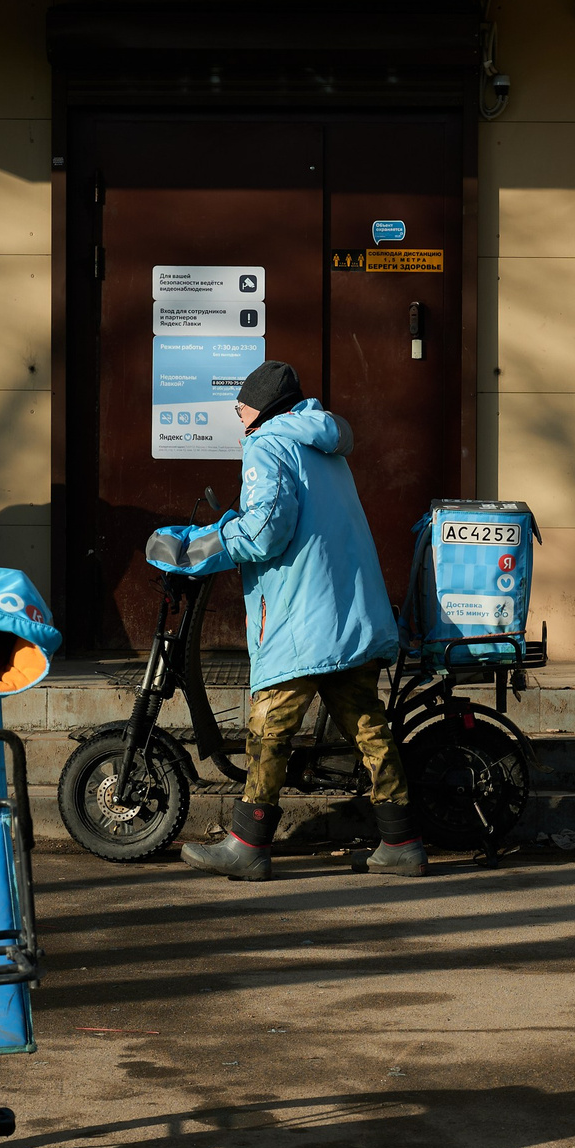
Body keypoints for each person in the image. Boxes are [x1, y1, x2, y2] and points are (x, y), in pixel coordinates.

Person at [176, 361, 425, 882]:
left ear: (261, 407)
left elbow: (266, 530)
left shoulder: (266, 444)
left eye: (241, 405)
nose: (237, 414)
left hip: (302, 619)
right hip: (350, 613)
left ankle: (248, 844)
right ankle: (402, 842)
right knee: (368, 726)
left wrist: (204, 546)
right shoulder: (324, 447)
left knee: (269, 727)